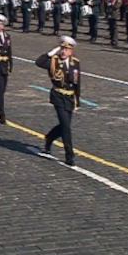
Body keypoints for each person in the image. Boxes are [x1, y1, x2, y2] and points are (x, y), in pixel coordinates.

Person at [35, 36, 81, 166]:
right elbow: (39, 62)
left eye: (67, 49)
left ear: (71, 51)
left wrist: (77, 101)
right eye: (62, 49)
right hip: (58, 96)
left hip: (69, 97)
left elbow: (77, 83)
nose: (64, 51)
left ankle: (50, 137)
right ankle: (69, 155)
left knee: (64, 126)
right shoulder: (54, 61)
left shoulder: (75, 62)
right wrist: (52, 52)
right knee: (66, 126)